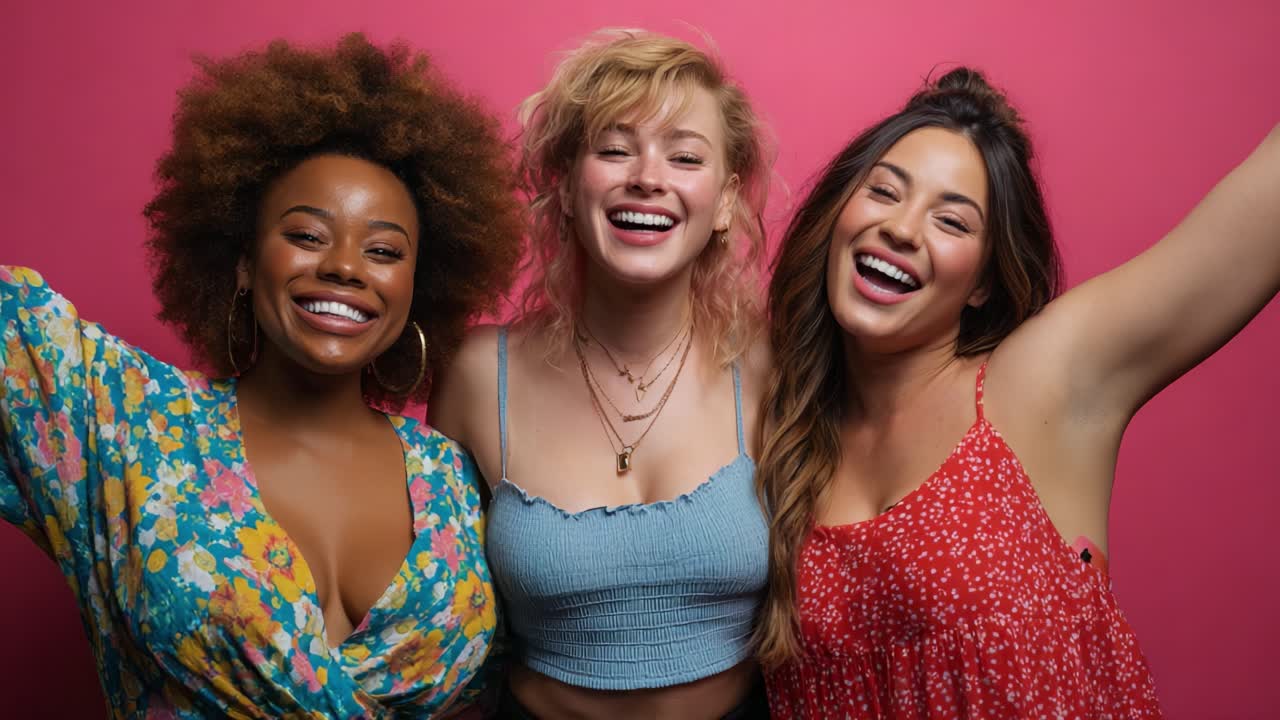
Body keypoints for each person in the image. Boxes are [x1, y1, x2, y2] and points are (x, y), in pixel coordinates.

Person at [0, 33, 524, 718]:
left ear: (417, 287)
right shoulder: (129, 423)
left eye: (384, 250)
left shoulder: (452, 478)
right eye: (307, 236)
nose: (344, 266)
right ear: (243, 264)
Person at [757, 67, 1276, 717]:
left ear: (982, 283)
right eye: (885, 192)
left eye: (952, 222)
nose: (903, 229)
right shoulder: (779, 426)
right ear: (839, 215)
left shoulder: (1034, 386)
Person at [430, 29, 773, 720]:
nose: (647, 176)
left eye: (683, 155)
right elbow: (441, 618)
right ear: (563, 187)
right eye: (615, 150)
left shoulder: (771, 366)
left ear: (727, 201)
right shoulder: (476, 373)